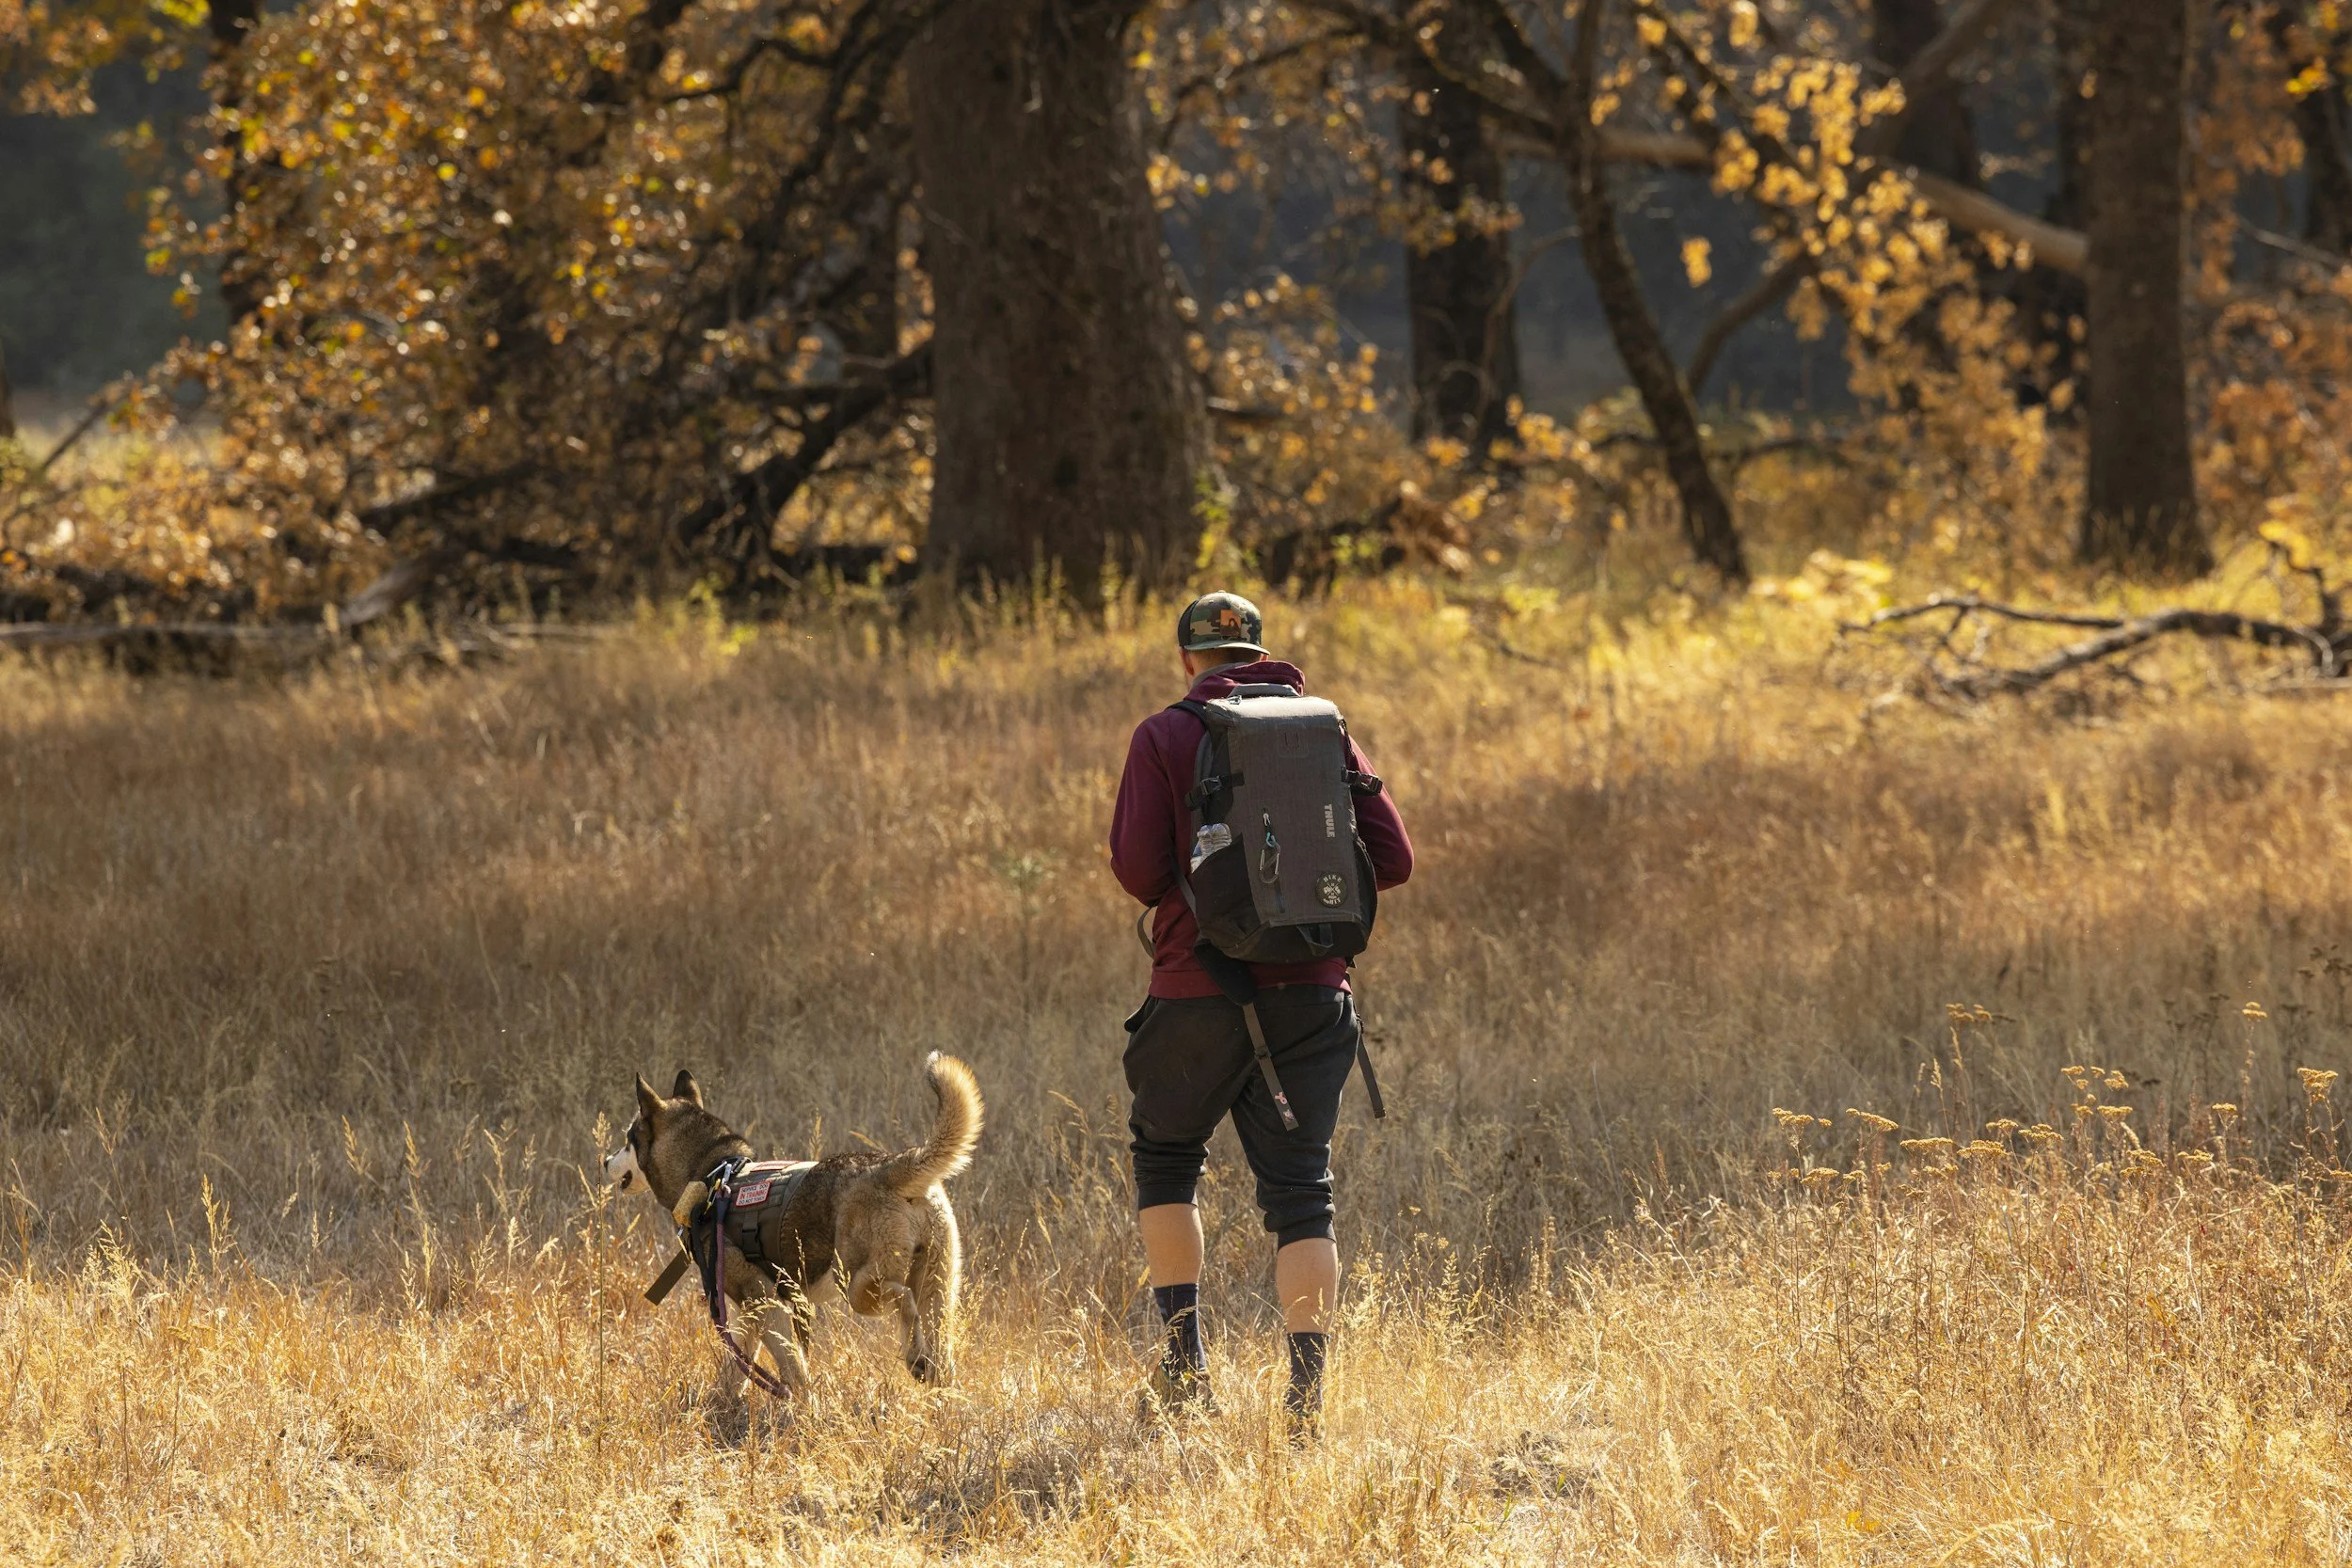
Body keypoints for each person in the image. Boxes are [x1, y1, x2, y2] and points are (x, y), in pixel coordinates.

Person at [1108, 590, 1413, 1432]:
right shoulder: (1323, 727)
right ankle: (1305, 1406)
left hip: (1194, 991)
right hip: (1315, 994)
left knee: (1166, 1159)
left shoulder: (1165, 734)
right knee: (1302, 1193)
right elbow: (1393, 858)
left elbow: (1137, 870)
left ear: (1188, 660)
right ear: (1262, 652)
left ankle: (1184, 1367)